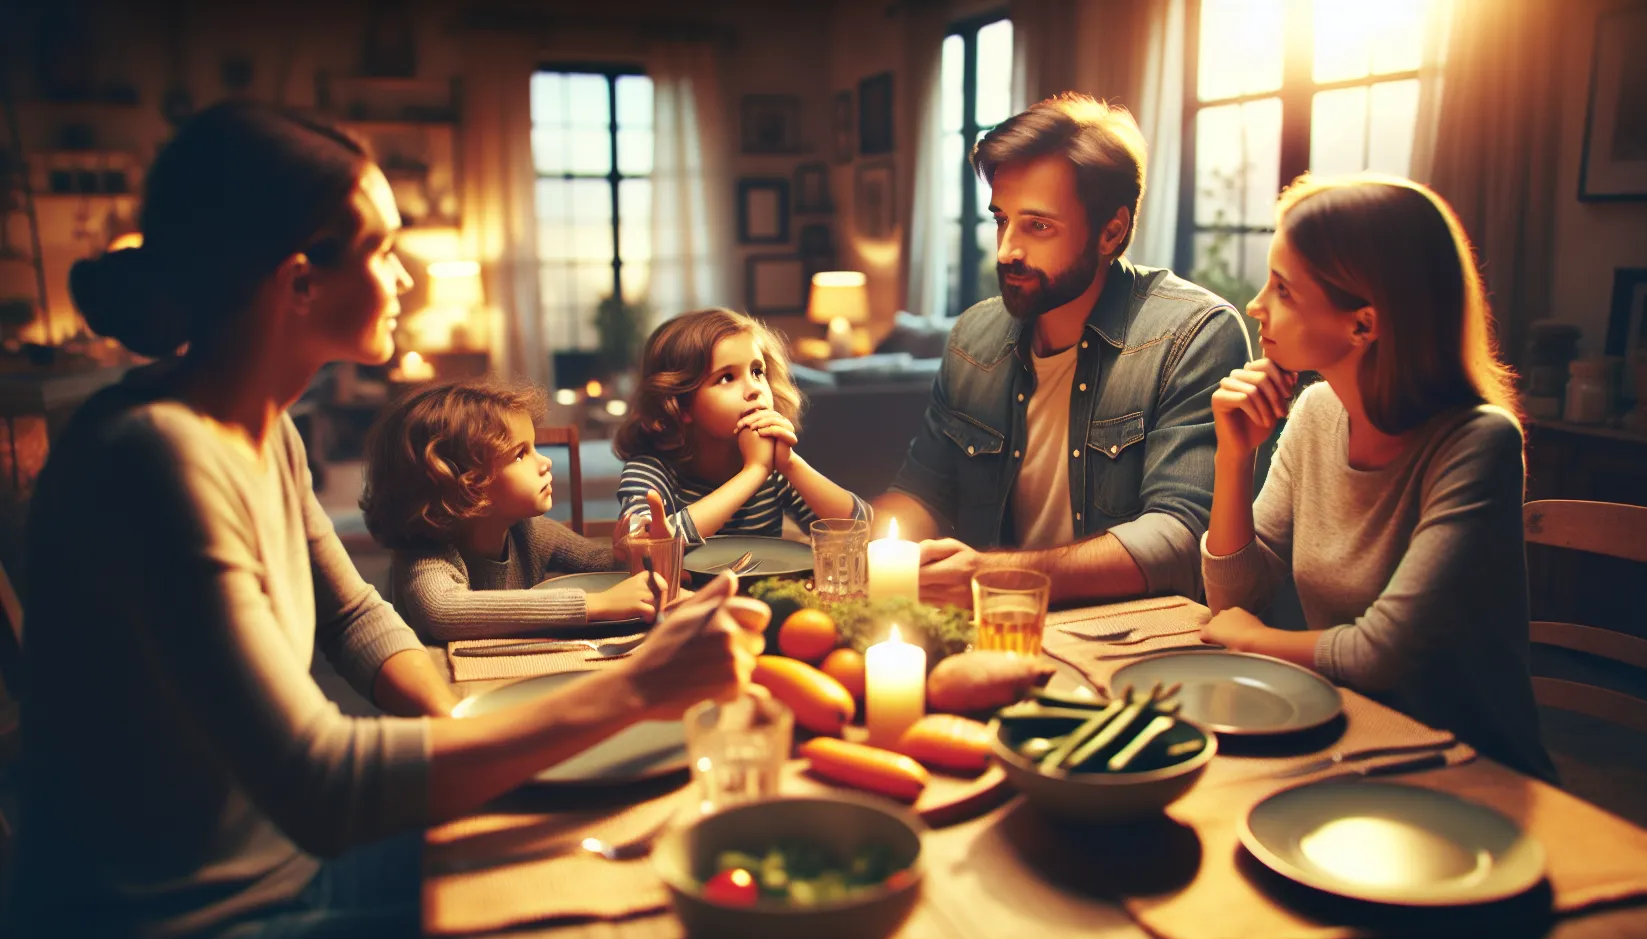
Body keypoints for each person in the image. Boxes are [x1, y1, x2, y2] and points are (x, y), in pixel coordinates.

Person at [1, 101, 765, 939]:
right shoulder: (156, 457)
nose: (401, 275)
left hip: (292, 870)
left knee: (614, 848)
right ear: (299, 282)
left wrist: (458, 728)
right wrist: (640, 685)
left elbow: (356, 616)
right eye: (381, 249)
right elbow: (325, 788)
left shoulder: (261, 427)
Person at [1197, 172, 1555, 781]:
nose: (1256, 305)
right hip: (1348, 741)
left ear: (1362, 325)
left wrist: (1252, 639)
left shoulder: (1477, 443)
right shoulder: (1315, 412)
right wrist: (1233, 458)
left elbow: (1377, 654)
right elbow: (1234, 599)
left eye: (1283, 289)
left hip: (1467, 770)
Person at [874, 92, 1250, 607]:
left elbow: (1179, 538)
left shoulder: (1194, 334)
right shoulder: (973, 336)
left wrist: (993, 575)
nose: (1007, 250)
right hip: (993, 626)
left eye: (1038, 225)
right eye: (1001, 220)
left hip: (1130, 639)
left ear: (1111, 232)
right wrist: (868, 554)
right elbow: (922, 491)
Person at [361, 379, 661, 643]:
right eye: (520, 454)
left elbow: (599, 563)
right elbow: (443, 611)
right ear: (461, 481)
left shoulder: (528, 530)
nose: (545, 463)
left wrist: (626, 555)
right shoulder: (427, 553)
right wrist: (596, 605)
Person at [613, 308, 870, 547]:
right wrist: (753, 472)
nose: (755, 389)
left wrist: (791, 464)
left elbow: (861, 529)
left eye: (757, 372)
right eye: (727, 378)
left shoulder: (775, 469)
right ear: (680, 405)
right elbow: (642, 545)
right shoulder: (649, 471)